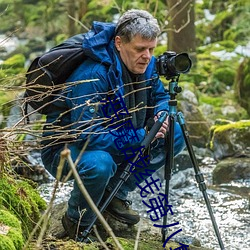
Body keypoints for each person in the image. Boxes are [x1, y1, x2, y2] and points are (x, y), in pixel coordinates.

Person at [41, 9, 185, 241]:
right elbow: (86, 135)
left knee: (175, 132)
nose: (147, 56)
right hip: (67, 150)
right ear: (119, 43)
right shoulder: (92, 75)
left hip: (119, 136)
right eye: (140, 49)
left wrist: (161, 114)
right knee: (100, 164)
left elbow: (159, 96)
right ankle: (76, 221)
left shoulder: (146, 64)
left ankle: (115, 193)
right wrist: (141, 135)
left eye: (151, 49)